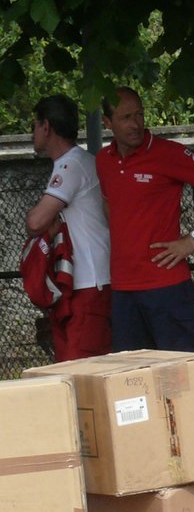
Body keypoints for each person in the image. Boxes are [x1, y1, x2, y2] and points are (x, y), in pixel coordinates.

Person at [95, 86, 194, 353]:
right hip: (123, 288)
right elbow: (109, 206)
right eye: (126, 118)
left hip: (167, 286)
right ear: (107, 123)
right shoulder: (103, 160)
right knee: (130, 380)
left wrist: (193, 238)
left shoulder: (168, 153)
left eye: (139, 115)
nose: (136, 124)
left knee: (183, 372)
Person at [26, 95, 112, 360]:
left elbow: (36, 222)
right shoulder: (78, 161)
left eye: (34, 126)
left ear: (46, 127)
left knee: (82, 369)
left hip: (89, 283)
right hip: (85, 282)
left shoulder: (71, 165)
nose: (33, 133)